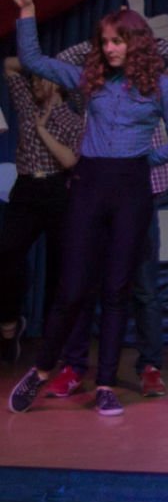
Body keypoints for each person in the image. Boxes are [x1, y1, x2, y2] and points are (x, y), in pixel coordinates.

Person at [3, 0, 168, 418]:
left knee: (117, 288)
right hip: (89, 185)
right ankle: (42, 369)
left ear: (136, 43)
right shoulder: (89, 80)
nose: (109, 48)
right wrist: (27, 12)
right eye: (104, 41)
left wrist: (140, 160)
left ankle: (106, 383)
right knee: (72, 287)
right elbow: (32, 59)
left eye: (117, 41)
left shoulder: (161, 86)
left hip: (131, 189)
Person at [0, 57, 83, 364]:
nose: (35, 82)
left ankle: (54, 339)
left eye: (42, 78)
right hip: (26, 188)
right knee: (7, 254)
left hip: (58, 188)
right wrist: (38, 64)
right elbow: (10, 65)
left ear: (59, 84)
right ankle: (9, 327)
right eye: (34, 78)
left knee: (60, 265)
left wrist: (43, 129)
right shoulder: (26, 104)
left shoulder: (74, 120)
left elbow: (70, 161)